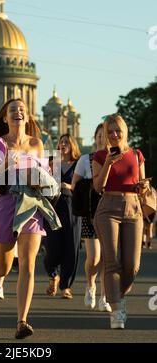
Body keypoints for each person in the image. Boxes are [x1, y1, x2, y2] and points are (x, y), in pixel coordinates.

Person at [0, 98, 53, 339]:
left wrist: (39, 179)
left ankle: (22, 321)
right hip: (6, 202)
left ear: (28, 117)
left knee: (28, 265)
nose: (18, 112)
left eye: (22, 109)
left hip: (31, 205)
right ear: (4, 118)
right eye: (12, 110)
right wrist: (7, 161)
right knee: (3, 266)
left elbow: (46, 175)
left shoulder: (37, 144)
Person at [93, 113, 146, 329]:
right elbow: (98, 187)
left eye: (118, 130)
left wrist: (143, 187)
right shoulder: (99, 156)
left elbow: (142, 184)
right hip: (108, 208)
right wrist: (107, 163)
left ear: (124, 131)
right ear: (106, 134)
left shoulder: (136, 154)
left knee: (132, 266)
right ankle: (116, 310)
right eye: (110, 131)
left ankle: (117, 296)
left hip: (133, 208)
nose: (114, 135)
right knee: (112, 261)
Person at [71, 124, 111, 312]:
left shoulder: (116, 158)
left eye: (106, 135)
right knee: (94, 258)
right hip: (91, 213)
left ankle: (105, 296)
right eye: (100, 135)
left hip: (111, 212)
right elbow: (75, 185)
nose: (103, 138)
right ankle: (90, 285)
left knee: (108, 257)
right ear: (95, 137)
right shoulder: (86, 159)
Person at [43, 134, 82, 299]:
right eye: (61, 142)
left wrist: (71, 187)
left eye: (67, 142)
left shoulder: (79, 165)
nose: (63, 144)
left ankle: (65, 286)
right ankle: (53, 275)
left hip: (72, 210)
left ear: (73, 146)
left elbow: (86, 188)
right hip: (53, 209)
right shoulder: (52, 163)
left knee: (71, 249)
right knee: (52, 247)